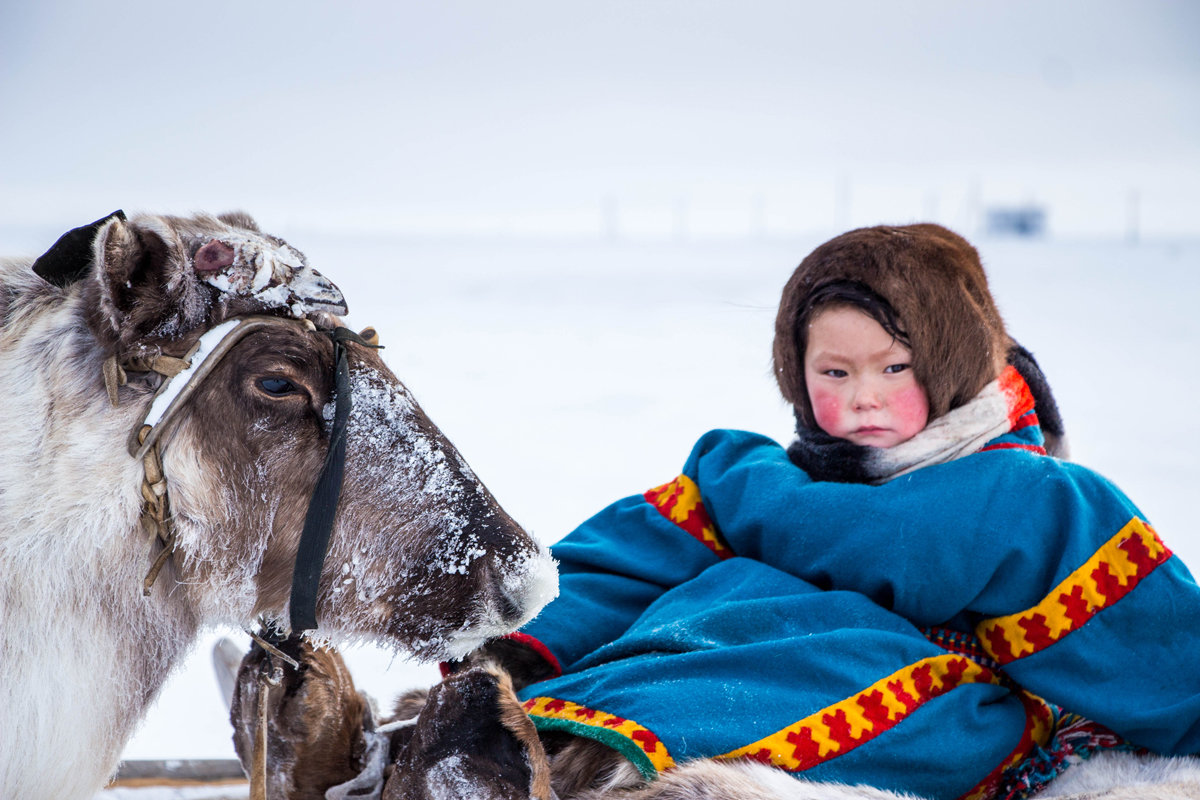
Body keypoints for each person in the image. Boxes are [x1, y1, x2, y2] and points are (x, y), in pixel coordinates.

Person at [455, 224, 1200, 800]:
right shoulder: (747, 479)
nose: (862, 397)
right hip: (717, 653)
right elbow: (620, 563)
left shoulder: (1021, 498)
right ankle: (525, 750)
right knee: (713, 616)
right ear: (795, 370)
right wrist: (513, 649)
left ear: (949, 364)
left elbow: (1152, 639)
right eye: (834, 372)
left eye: (895, 369)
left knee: (812, 643)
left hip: (935, 696)